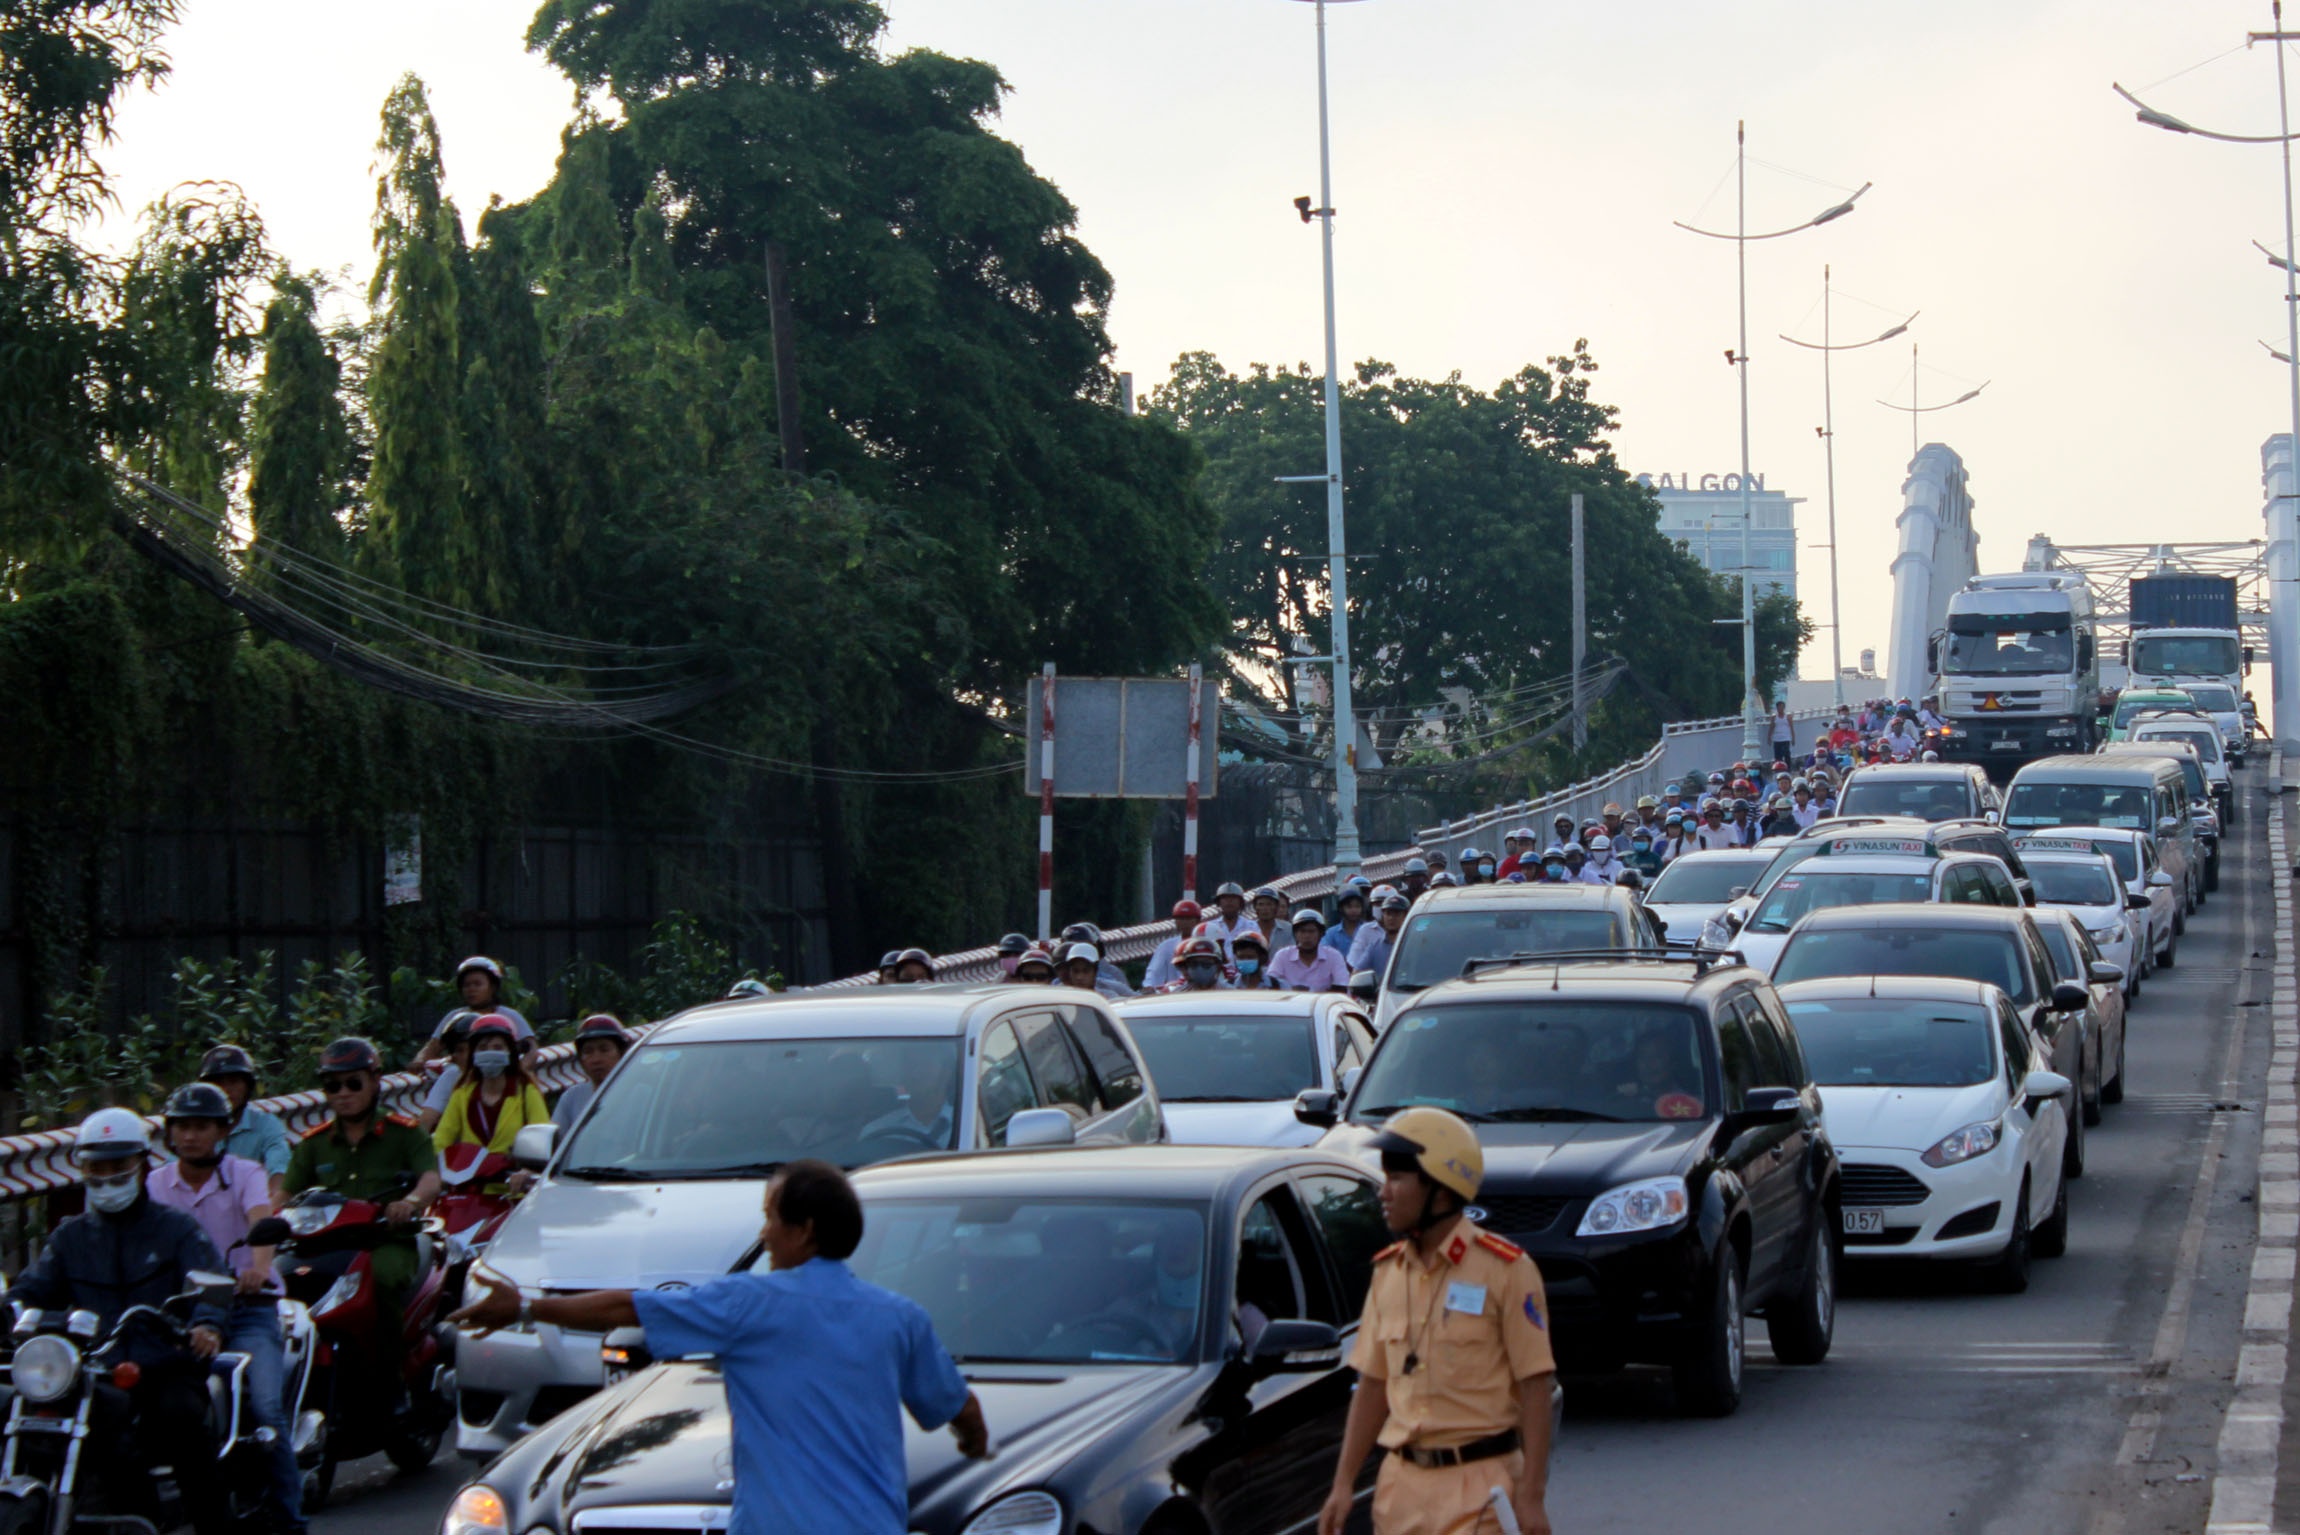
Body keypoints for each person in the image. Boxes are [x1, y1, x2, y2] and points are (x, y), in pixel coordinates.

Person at [451, 1160, 991, 1535]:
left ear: (802, 1231)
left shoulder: (747, 1303)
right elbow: (958, 1408)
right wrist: (972, 1443)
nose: (765, 1231)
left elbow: (626, 1308)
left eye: (771, 1218)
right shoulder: (899, 1318)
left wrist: (525, 1308)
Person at [1315, 1107, 1554, 1535]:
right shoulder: (1387, 1274)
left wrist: (1531, 1496)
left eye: (1398, 1179)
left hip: (1482, 1488)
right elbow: (1372, 1385)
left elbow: (1536, 1385)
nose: (1383, 1193)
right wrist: (1343, 1483)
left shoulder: (1507, 1271)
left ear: (1441, 1191)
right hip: (1400, 1491)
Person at [11, 1109, 232, 1535]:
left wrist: (207, 1323)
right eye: (97, 1168)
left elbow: (213, 1281)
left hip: (162, 1364)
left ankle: (212, 1525)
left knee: (182, 1417)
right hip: (93, 1371)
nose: (107, 1178)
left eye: (118, 1167)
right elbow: (32, 1287)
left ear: (142, 1165)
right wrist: (9, 1307)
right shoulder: (70, 1237)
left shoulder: (176, 1229)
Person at [147, 1082, 304, 1535]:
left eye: (201, 1127)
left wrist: (256, 1269)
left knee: (268, 1411)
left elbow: (262, 1221)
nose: (191, 1136)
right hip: (182, 1314)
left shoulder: (246, 1172)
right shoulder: (156, 1183)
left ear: (223, 1130)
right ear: (170, 1132)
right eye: (183, 1127)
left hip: (247, 1307)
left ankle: (292, 1522)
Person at [286, 1037, 441, 1412]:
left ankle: (392, 1382)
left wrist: (410, 1202)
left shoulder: (405, 1132)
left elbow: (430, 1179)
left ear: (375, 1081)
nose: (343, 1093)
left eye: (353, 1082)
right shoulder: (312, 1145)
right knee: (286, 1288)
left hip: (386, 1243)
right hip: (325, 1249)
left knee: (381, 1280)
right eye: (332, 1085)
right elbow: (284, 1196)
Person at [432, 1015, 551, 1193]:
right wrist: (430, 1171)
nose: (489, 1052)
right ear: (473, 1054)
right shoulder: (462, 1094)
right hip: (470, 1192)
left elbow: (542, 1140)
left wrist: (527, 1171)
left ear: (510, 1052)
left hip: (513, 1193)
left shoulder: (526, 1092)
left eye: (497, 1047)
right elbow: (442, 1139)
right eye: (482, 1048)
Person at [199, 1042, 291, 1207]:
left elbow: (279, 1170)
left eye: (234, 1081)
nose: (226, 1090)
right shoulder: (193, 1128)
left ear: (248, 1086)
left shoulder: (266, 1124)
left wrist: (270, 1208)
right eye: (218, 1083)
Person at [414, 956, 533, 1067]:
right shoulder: (455, 1017)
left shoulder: (509, 1015)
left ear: (492, 987)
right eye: (466, 985)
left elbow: (532, 1049)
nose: (471, 989)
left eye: (477, 984)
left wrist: (518, 1072)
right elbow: (433, 1046)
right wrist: (419, 1060)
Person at [552, 1014, 634, 1133]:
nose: (596, 1059)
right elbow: (555, 1143)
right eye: (588, 1051)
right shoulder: (571, 1098)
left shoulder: (642, 1094)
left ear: (621, 1053)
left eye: (604, 1050)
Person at [1271, 909, 1353, 992]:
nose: (1307, 936)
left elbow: (1343, 986)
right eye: (1302, 931)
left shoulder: (1333, 956)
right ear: (1295, 934)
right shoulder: (1283, 956)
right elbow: (1269, 984)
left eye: (1311, 931)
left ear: (1320, 934)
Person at [1142, 900, 1204, 991]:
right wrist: (1150, 987)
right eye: (1180, 918)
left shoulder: (1206, 945)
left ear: (1198, 921)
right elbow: (1154, 974)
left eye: (1189, 918)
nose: (1184, 923)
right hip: (1173, 994)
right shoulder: (1166, 946)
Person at [1198, 882, 1255, 960]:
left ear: (1240, 903)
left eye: (1233, 898)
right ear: (1219, 903)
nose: (1229, 901)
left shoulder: (1252, 927)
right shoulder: (1210, 927)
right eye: (1225, 898)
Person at [1326, 884, 1372, 960]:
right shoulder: (1331, 933)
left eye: (1357, 906)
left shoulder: (1369, 929)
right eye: (1349, 907)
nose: (1354, 910)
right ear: (1341, 909)